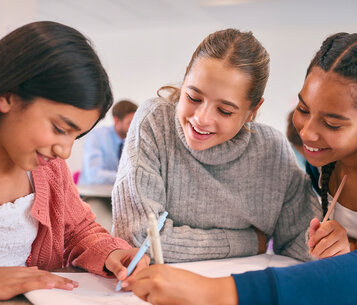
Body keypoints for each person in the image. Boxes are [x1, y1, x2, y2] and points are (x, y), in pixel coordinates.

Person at [127, 32, 357, 305]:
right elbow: (344, 255)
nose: (307, 133)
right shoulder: (324, 157)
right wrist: (342, 248)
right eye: (303, 108)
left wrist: (216, 293)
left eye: (331, 122)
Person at [0, 21, 148, 305]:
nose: (64, 151)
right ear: (6, 96)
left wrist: (111, 254)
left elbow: (78, 231)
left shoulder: (48, 170)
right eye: (60, 129)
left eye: (76, 137)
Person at [112, 28, 321, 265]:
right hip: (158, 291)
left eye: (224, 110)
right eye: (193, 97)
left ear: (252, 110)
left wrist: (331, 243)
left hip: (238, 291)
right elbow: (139, 240)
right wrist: (251, 242)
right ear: (185, 80)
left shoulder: (272, 150)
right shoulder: (155, 122)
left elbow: (302, 246)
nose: (201, 118)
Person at [78, 99, 138, 185]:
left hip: (114, 193)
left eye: (136, 123)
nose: (134, 128)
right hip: (92, 194)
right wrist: (127, 177)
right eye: (130, 123)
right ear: (117, 120)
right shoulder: (97, 136)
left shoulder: (132, 141)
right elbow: (93, 176)